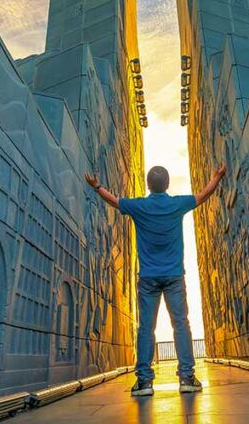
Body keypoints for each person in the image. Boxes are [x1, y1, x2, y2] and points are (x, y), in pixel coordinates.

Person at [84, 163, 227, 396]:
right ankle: (187, 378)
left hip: (148, 278)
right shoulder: (176, 204)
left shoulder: (139, 206)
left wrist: (97, 186)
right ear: (167, 185)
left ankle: (144, 383)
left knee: (146, 329)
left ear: (148, 186)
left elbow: (114, 201)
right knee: (181, 324)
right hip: (174, 277)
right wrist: (216, 178)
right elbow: (203, 195)